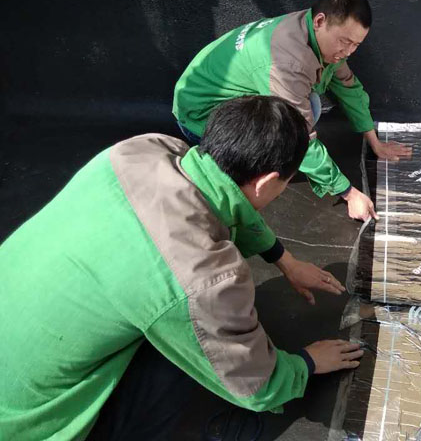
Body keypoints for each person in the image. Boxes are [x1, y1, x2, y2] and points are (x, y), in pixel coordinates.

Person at [0, 96, 365, 441]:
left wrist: (282, 258)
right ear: (269, 181)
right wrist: (306, 363)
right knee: (186, 364)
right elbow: (256, 386)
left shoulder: (142, 150)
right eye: (286, 183)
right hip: (28, 420)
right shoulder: (202, 277)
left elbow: (228, 200)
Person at [173, 0, 412, 222]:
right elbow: (302, 136)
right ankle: (225, 182)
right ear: (320, 21)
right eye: (344, 41)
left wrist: (374, 141)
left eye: (356, 45)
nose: (348, 52)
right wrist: (349, 193)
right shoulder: (287, 62)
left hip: (231, 99)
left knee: (311, 104)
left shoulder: (316, 34)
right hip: (200, 115)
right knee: (276, 146)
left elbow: (348, 86)